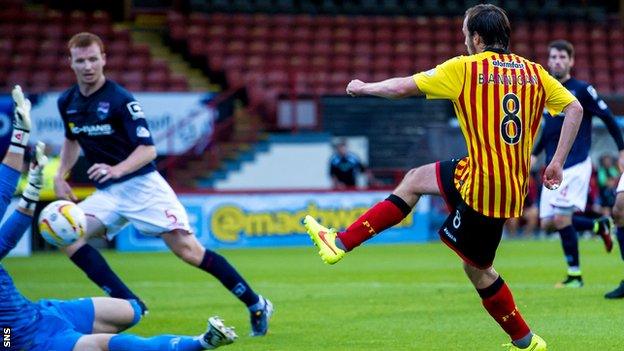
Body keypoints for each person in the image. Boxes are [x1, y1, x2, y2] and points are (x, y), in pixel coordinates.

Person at [303, 4, 583, 350]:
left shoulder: (464, 68)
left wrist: (363, 87)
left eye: (465, 33)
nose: (463, 39)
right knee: (416, 179)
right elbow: (575, 108)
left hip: (484, 188)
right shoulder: (534, 72)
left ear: (477, 38)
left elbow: (402, 87)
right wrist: (556, 162)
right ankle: (341, 242)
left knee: (478, 270)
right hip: (502, 180)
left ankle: (526, 342)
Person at [53, 32, 272, 335]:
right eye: (81, 60)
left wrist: (116, 170)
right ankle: (127, 301)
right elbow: (70, 139)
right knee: (66, 236)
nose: (88, 66)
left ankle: (256, 303)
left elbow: (148, 150)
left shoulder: (121, 100)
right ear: (71, 63)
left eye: (93, 59)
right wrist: (60, 173)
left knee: (189, 252)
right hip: (109, 194)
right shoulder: (67, 102)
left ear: (104, 59)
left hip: (143, 186)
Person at [1, 85, 237, 351]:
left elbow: (4, 186)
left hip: (46, 312)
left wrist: (20, 136)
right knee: (104, 345)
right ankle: (201, 342)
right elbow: (6, 242)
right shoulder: (11, 334)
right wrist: (9, 342)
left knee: (131, 311)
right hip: (28, 338)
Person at [530, 40, 624, 288]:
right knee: (548, 223)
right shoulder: (546, 90)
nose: (557, 61)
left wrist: (622, 149)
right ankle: (598, 225)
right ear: (548, 61)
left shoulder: (582, 90)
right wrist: (535, 154)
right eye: (553, 57)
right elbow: (549, 131)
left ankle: (575, 275)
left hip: (576, 164)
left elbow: (609, 119)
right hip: (553, 165)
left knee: (562, 218)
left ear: (571, 61)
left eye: (562, 56)